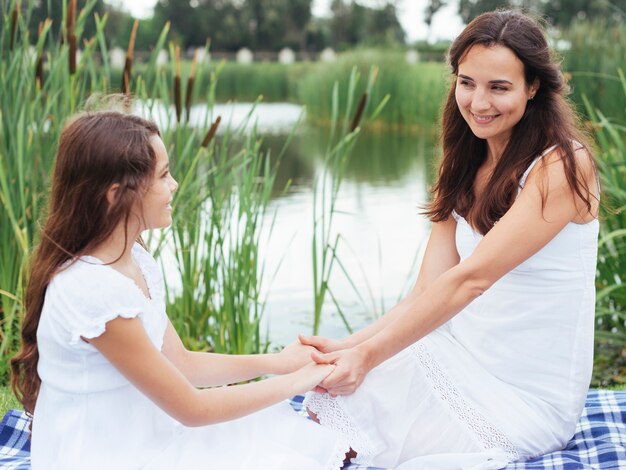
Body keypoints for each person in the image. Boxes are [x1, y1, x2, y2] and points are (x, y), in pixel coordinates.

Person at [300, 9, 600, 469]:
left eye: (499, 87)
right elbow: (426, 291)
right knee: (327, 419)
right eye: (467, 82)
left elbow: (471, 280)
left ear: (533, 86)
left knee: (367, 431)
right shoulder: (462, 162)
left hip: (524, 396)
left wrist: (368, 356)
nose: (479, 102)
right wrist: (348, 347)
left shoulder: (561, 165)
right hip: (457, 355)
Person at [10, 111, 349, 469]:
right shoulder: (92, 291)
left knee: (279, 435)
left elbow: (180, 362)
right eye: (163, 175)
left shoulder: (134, 258)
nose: (174, 185)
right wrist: (298, 381)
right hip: (104, 456)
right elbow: (193, 408)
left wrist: (276, 364)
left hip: (143, 436)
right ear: (117, 195)